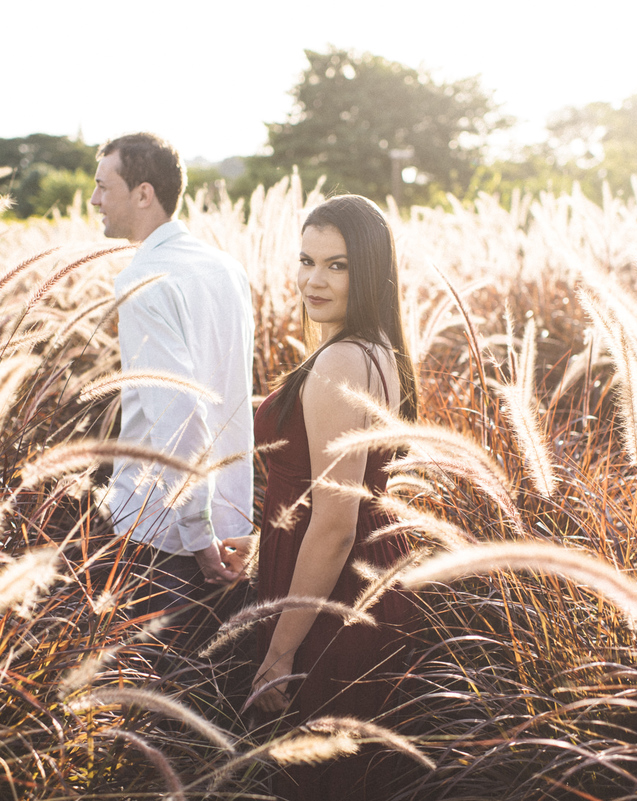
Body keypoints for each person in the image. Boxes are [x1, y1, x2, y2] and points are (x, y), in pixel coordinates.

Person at [221, 195, 420, 800]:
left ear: (369, 271)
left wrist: (281, 652)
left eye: (337, 265)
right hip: (362, 578)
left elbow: (333, 520)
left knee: (317, 776)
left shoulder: (339, 360)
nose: (314, 279)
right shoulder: (379, 349)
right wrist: (260, 547)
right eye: (307, 260)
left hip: (328, 598)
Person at [90, 132, 254, 621]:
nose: (95, 199)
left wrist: (197, 535)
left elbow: (179, 415)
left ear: (144, 194)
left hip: (165, 532)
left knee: (154, 682)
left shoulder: (142, 280)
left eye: (103, 186)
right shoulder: (227, 268)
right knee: (210, 679)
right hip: (231, 517)